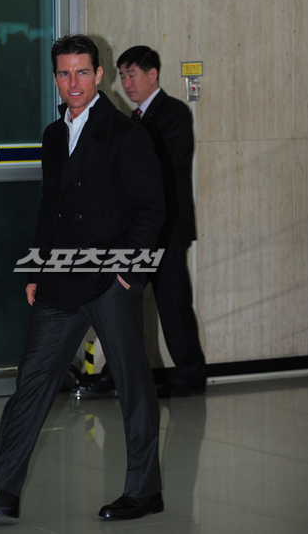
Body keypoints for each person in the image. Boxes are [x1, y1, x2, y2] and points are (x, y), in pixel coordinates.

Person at [0, 34, 166, 521]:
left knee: (132, 385)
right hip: (61, 278)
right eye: (64, 73)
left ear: (98, 74)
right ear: (56, 77)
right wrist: (38, 267)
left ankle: (145, 491)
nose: (73, 82)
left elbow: (151, 210)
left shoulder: (126, 134)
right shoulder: (52, 134)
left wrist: (127, 270)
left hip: (110, 278)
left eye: (82, 72)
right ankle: (1, 488)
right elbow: (50, 207)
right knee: (32, 382)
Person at [74, 45, 206, 399]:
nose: (127, 84)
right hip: (137, 230)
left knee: (172, 304)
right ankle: (117, 375)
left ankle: (190, 376)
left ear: (152, 75)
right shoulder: (131, 119)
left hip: (168, 229)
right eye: (122, 77)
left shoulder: (173, 113)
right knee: (121, 302)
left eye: (132, 75)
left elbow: (161, 167)